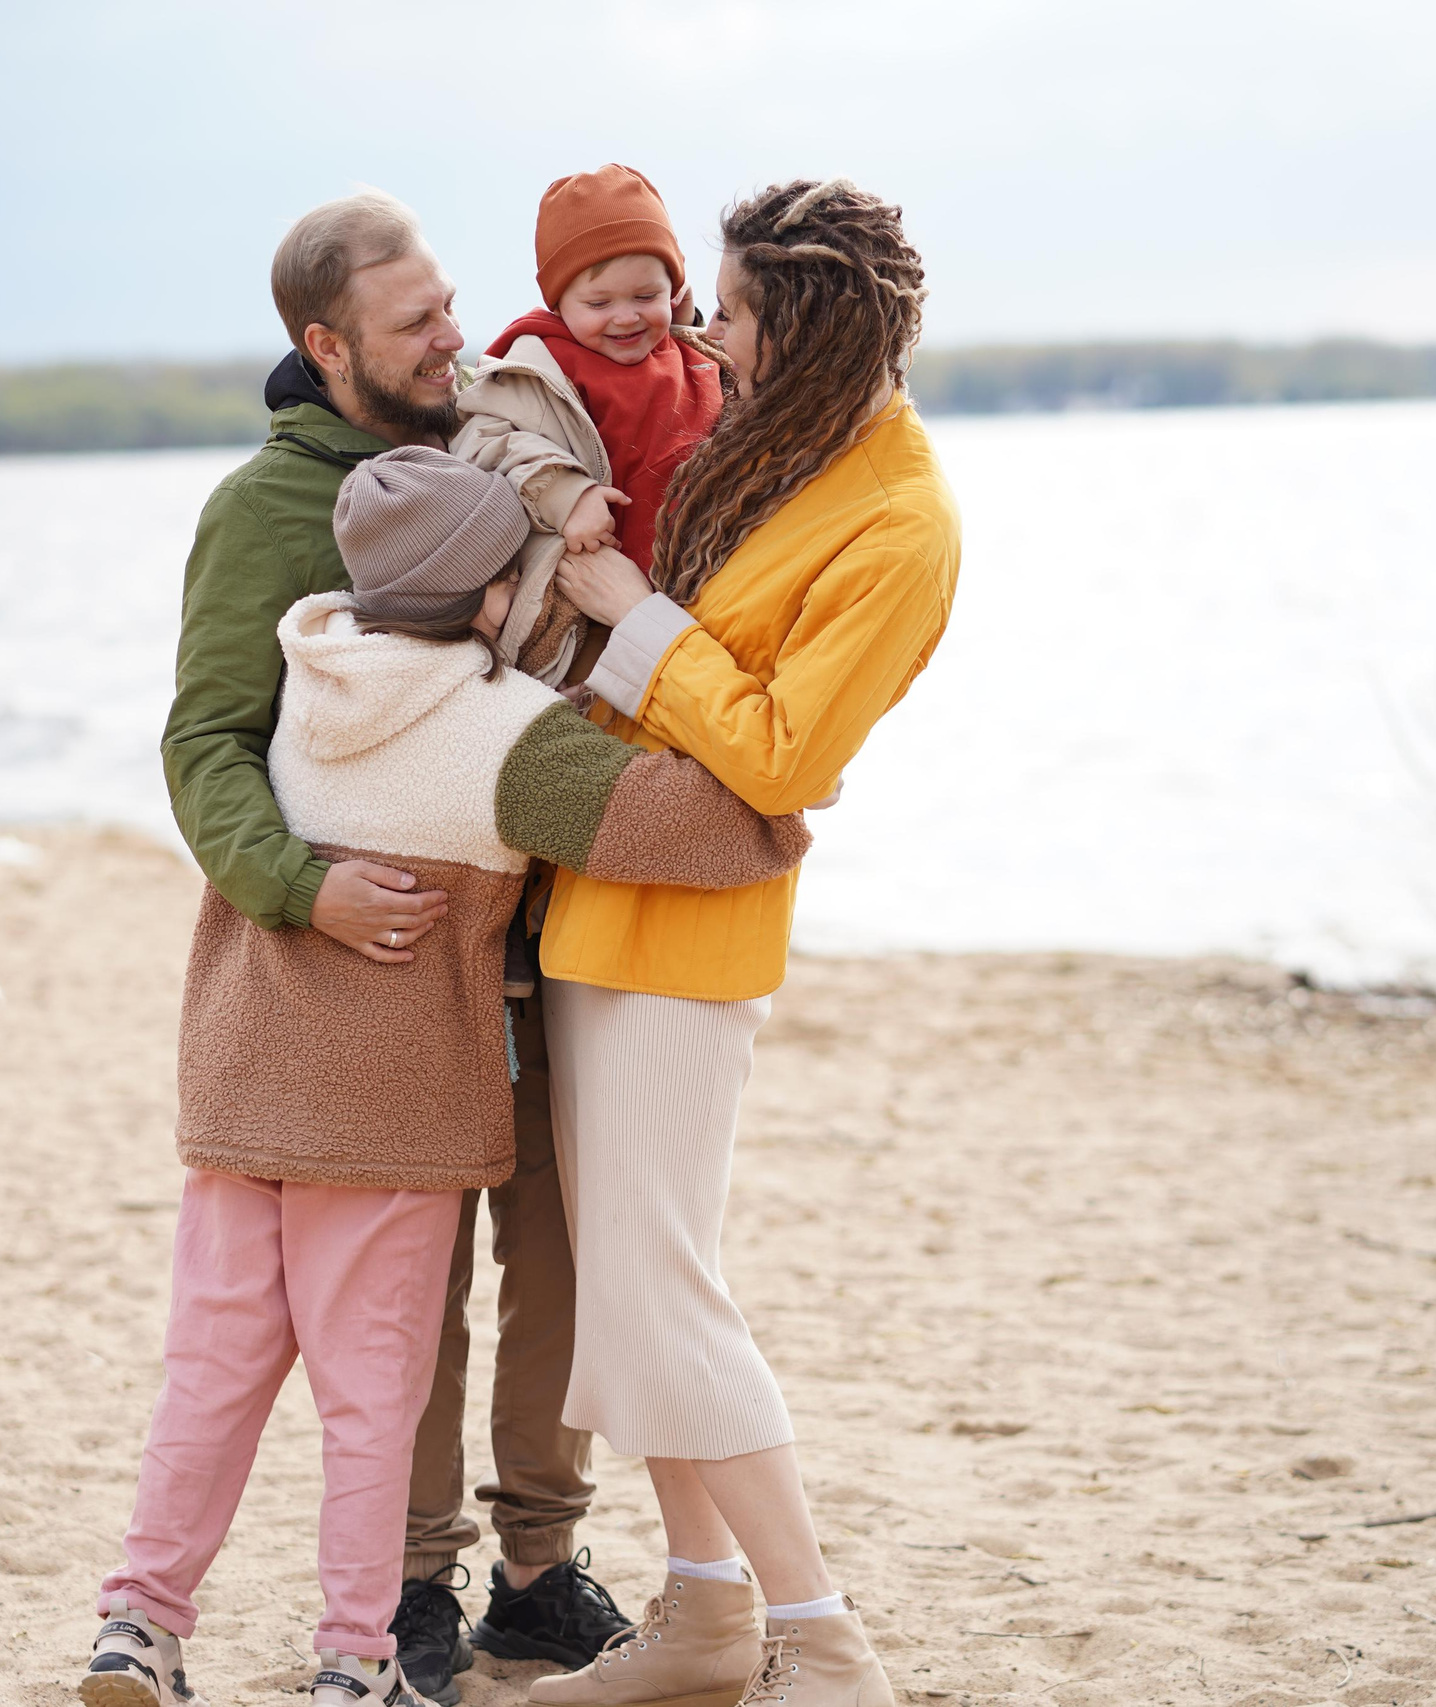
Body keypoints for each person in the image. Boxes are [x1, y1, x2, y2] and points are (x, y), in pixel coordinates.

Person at [83, 446, 814, 1707]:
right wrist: (789, 806)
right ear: (488, 599)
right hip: (392, 1115)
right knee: (374, 1400)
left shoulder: (305, 670)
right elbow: (692, 831)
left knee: (208, 1377)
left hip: (240, 1087)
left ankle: (136, 1626)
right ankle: (356, 1659)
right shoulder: (494, 739)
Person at [139, 190, 630, 1707]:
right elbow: (204, 740)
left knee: (559, 1272)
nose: (455, 338)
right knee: (402, 1305)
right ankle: (412, 1583)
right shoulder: (267, 511)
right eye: (418, 323)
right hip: (378, 980)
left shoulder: (490, 452)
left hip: (547, 943)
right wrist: (304, 886)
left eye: (452, 306)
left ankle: (539, 1572)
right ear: (324, 341)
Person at [528, 180, 960, 1707]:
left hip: (695, 936)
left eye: (733, 310)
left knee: (667, 1289)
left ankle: (824, 1635)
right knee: (635, 1282)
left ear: (811, 332)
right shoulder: (764, 443)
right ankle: (709, 1608)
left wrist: (636, 618)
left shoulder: (901, 521)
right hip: (599, 897)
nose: (705, 330)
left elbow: (777, 755)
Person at [452, 164, 724, 688]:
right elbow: (479, 445)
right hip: (590, 611)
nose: (625, 317)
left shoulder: (693, 358)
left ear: (675, 287)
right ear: (557, 302)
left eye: (647, 296)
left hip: (698, 601)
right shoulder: (536, 366)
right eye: (599, 304)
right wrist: (564, 494)